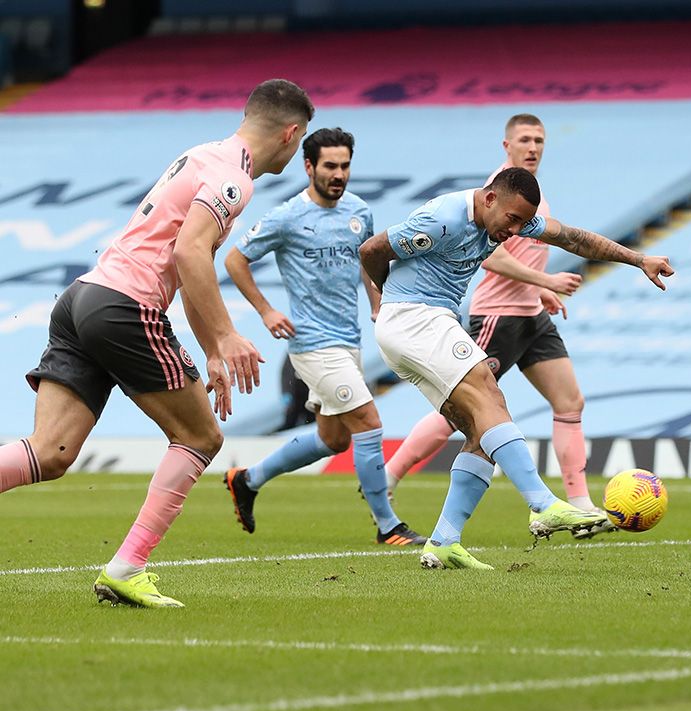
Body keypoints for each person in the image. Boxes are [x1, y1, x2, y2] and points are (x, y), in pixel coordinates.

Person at [0, 79, 314, 607]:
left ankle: (126, 568)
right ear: (291, 133)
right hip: (125, 307)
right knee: (202, 438)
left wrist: (212, 350)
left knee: (50, 452)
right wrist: (228, 335)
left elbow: (191, 262)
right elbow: (191, 256)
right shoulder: (234, 179)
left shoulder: (202, 155)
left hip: (82, 298)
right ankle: (127, 568)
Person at [360, 167, 674, 570]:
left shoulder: (507, 219)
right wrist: (395, 300)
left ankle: (443, 542)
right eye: (512, 220)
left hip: (422, 323)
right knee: (489, 392)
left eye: (524, 223)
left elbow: (573, 238)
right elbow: (371, 250)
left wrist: (638, 259)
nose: (515, 231)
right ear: (490, 199)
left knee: (480, 432)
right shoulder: (443, 218)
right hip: (416, 317)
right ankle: (542, 504)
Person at [385, 114, 604, 529]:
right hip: (497, 315)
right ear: (506, 146)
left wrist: (539, 292)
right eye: (525, 139)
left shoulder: (531, 195)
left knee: (570, 402)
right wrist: (545, 279)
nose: (534, 146)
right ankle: (391, 474)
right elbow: (493, 254)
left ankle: (580, 502)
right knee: (467, 410)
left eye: (540, 139)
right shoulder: (496, 191)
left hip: (531, 314)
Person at [221, 127, 427, 546]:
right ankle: (388, 525)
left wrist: (376, 302)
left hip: (348, 340)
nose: (339, 174)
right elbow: (235, 259)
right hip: (312, 344)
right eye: (330, 166)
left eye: (345, 166)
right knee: (369, 423)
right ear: (309, 166)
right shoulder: (287, 216)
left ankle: (248, 479)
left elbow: (369, 260)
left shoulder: (358, 212)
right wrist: (266, 311)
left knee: (333, 439)